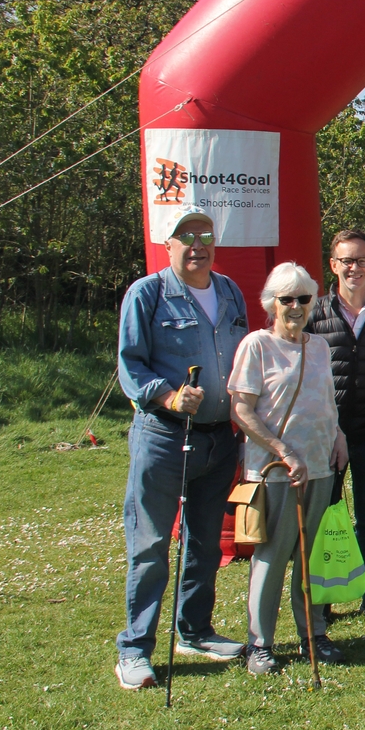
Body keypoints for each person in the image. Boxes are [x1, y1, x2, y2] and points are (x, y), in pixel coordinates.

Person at [113, 208, 249, 690]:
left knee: (205, 543)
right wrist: (169, 394)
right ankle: (135, 649)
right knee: (150, 545)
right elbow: (130, 365)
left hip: (219, 439)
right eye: (185, 236)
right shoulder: (146, 294)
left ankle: (194, 631)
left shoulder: (229, 290)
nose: (197, 244)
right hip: (166, 437)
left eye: (205, 235)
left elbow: (241, 360)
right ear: (167, 246)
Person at [229, 263, 348, 674]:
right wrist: (282, 451)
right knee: (272, 556)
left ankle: (313, 634)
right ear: (271, 304)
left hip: (319, 466)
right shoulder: (256, 346)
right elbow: (241, 410)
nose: (296, 307)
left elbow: (327, 401)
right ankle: (259, 644)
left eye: (304, 299)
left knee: (311, 558)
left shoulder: (318, 346)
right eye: (287, 299)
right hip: (276, 471)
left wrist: (339, 436)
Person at [307, 229, 365, 617]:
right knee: (324, 517)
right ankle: (324, 598)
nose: (354, 268)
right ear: (333, 265)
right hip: (326, 436)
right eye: (346, 260)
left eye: (361, 260)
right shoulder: (313, 313)